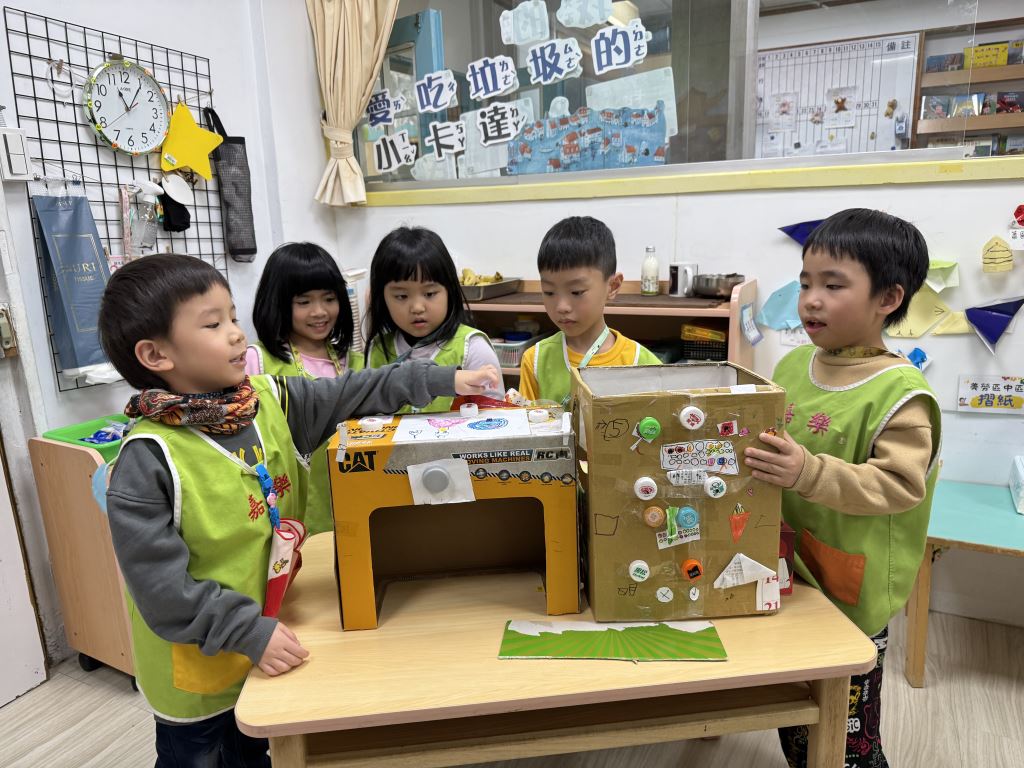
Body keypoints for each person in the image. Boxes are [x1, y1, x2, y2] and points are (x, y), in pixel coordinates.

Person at [98, 253, 498, 767]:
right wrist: (247, 632)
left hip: (276, 633)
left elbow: (358, 389)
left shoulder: (271, 400)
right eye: (213, 324)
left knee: (260, 751)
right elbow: (162, 592)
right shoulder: (148, 460)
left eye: (233, 317)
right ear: (156, 355)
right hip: (203, 667)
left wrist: (446, 381)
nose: (236, 334)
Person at [743, 208, 941, 768]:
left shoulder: (900, 390)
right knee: (796, 711)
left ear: (888, 298)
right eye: (805, 283)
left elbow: (899, 485)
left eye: (833, 286)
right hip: (791, 564)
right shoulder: (794, 364)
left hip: (851, 582)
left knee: (843, 734)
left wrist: (807, 472)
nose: (811, 300)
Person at [245, 242, 362, 534]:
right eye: (304, 302)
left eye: (329, 298)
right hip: (287, 509)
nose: (319, 311)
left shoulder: (354, 361)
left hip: (352, 498)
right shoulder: (258, 361)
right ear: (278, 303)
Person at [519, 216, 660, 405]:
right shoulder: (536, 360)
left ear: (612, 286)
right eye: (549, 292)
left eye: (576, 292)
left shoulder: (643, 364)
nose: (561, 307)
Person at [364, 226, 503, 411]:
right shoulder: (377, 350)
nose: (417, 308)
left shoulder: (473, 348)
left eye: (429, 294)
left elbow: (494, 418)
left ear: (449, 291)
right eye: (401, 296)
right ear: (382, 298)